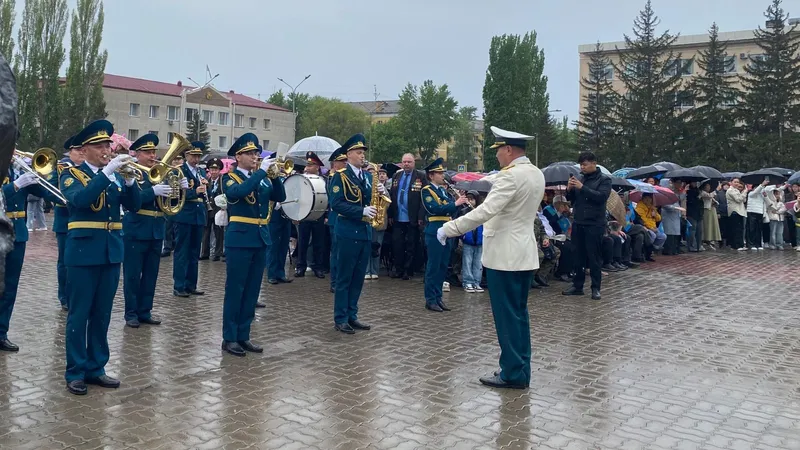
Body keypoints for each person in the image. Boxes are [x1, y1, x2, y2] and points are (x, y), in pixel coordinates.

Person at [437, 126, 543, 390]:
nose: (497, 157)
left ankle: (511, 374)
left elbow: (486, 211)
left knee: (507, 317)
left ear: (509, 150)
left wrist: (450, 228)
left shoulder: (510, 177)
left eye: (499, 151)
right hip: (523, 254)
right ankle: (519, 369)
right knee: (518, 315)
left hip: (505, 257)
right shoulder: (535, 173)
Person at [59, 119, 142, 395]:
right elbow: (80, 200)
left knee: (102, 314)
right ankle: (75, 371)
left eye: (108, 144)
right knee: (79, 314)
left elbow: (134, 206)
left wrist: (130, 183)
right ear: (85, 150)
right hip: (83, 253)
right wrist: (106, 173)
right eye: (100, 145)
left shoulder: (116, 176)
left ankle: (96, 368)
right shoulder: (70, 174)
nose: (107, 149)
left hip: (110, 252)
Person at [219, 134, 286, 356]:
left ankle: (243, 335)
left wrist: (275, 176)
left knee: (252, 290)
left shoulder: (262, 177)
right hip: (239, 238)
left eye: (257, 153)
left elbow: (281, 195)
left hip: (260, 237)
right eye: (250, 153)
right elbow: (238, 193)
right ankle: (229, 338)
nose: (255, 156)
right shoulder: (230, 178)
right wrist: (260, 172)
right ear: (238, 156)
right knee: (236, 289)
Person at [329, 134, 386, 334]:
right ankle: (341, 318)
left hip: (364, 232)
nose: (363, 156)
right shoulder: (341, 176)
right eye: (359, 153)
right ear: (349, 154)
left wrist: (382, 190)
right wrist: (360, 211)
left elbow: (373, 200)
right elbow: (336, 203)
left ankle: (352, 315)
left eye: (363, 153)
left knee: (358, 277)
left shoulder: (368, 177)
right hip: (347, 231)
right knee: (345, 277)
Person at [122, 134, 172, 329]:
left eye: (154, 152)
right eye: (148, 152)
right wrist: (153, 191)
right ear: (137, 154)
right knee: (133, 275)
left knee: (151, 274)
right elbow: (131, 201)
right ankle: (131, 313)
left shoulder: (160, 172)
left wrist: (179, 192)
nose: (153, 156)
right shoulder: (130, 172)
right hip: (136, 228)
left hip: (156, 230)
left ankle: (145, 311)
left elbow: (168, 204)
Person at [0, 157, 43, 351]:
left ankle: (1, 332)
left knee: (10, 286)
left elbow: (48, 192)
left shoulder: (18, 167)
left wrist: (40, 173)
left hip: (17, 233)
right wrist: (16, 185)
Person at [42, 136, 85, 311]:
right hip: (65, 220)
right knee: (65, 261)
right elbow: (46, 189)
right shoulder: (60, 169)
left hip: (84, 220)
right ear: (70, 152)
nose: (81, 153)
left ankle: (79, 294)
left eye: (83, 149)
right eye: (78, 150)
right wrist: (64, 197)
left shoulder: (88, 169)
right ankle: (65, 296)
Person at [562, 151, 611, 301]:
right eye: (581, 165)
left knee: (594, 257)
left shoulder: (604, 180)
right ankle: (577, 286)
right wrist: (569, 189)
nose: (582, 168)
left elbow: (601, 197)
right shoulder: (581, 178)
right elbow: (572, 200)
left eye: (584, 164)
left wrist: (582, 187)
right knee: (578, 256)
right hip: (578, 222)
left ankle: (595, 288)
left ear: (593, 163)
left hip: (594, 224)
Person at [421, 158, 467, 312]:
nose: (442, 175)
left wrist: (457, 202)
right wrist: (455, 203)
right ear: (431, 175)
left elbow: (451, 210)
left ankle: (438, 297)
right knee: (433, 266)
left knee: (442, 266)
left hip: (447, 230)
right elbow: (434, 209)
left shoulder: (443, 191)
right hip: (434, 230)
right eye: (439, 173)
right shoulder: (427, 190)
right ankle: (430, 299)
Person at [172, 142, 207, 297]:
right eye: (193, 155)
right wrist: (194, 192)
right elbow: (175, 194)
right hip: (184, 215)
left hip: (198, 215)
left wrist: (206, 186)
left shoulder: (201, 172)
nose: (196, 158)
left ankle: (191, 284)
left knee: (194, 252)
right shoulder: (179, 171)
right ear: (186, 155)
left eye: (199, 156)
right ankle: (179, 285)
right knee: (182, 251)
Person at [387, 153, 425, 279]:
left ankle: (408, 270)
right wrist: (391, 214)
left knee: (411, 244)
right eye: (404, 162)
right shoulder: (396, 175)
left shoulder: (420, 176)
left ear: (414, 163)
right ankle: (398, 269)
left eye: (409, 162)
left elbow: (423, 199)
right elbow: (392, 195)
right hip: (398, 217)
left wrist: (420, 217)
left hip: (412, 217)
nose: (406, 164)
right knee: (397, 244)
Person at [295, 151, 327, 279]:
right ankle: (300, 267)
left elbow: (327, 198)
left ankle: (318, 267)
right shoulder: (301, 179)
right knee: (302, 242)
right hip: (304, 214)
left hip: (319, 215)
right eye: (307, 165)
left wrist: (326, 215)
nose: (307, 168)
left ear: (317, 167)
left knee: (319, 242)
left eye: (310, 165)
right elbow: (296, 197)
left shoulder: (324, 180)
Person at [325, 148, 347, 293]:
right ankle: (334, 281)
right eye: (342, 161)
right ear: (335, 164)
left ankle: (342, 280)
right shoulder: (333, 178)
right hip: (335, 218)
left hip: (347, 220)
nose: (345, 164)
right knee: (337, 252)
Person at [365, 163, 389, 280]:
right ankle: (366, 270)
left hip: (379, 220)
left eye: (373, 172)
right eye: (369, 172)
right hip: (366, 220)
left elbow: (388, 202)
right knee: (366, 246)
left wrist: (383, 192)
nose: (371, 174)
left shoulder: (380, 186)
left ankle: (374, 271)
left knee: (376, 246)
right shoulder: (363, 184)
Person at [200, 158, 225, 261]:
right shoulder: (206, 181)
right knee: (206, 232)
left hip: (218, 210)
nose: (214, 172)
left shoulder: (222, 181)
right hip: (208, 210)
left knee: (218, 232)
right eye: (212, 169)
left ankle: (217, 253)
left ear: (219, 171)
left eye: (216, 170)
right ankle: (204, 253)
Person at [460, 191, 484, 293]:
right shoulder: (464, 211)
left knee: (478, 263)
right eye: (468, 199)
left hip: (479, 241)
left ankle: (476, 282)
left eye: (472, 199)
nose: (470, 201)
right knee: (467, 261)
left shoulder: (481, 211)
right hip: (468, 240)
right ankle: (467, 281)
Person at [161, 154, 184, 257]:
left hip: (180, 203)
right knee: (168, 227)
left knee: (177, 228)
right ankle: (167, 247)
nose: (176, 161)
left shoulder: (183, 172)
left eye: (178, 159)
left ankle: (175, 245)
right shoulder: (168, 172)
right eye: (174, 159)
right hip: (169, 202)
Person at [726, 178, 747, 250]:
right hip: (734, 211)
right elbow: (738, 199)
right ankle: (735, 245)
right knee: (736, 229)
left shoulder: (737, 190)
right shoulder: (730, 190)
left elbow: (743, 200)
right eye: (735, 182)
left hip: (740, 211)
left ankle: (740, 244)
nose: (737, 183)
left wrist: (743, 192)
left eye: (738, 182)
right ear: (731, 182)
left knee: (740, 228)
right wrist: (744, 192)